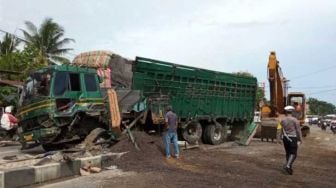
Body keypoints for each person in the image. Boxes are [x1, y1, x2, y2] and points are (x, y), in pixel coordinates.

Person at [277, 105, 303, 175]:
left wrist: (278, 139)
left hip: (285, 138)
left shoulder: (282, 120)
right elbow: (298, 131)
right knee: (293, 153)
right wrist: (300, 139)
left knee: (288, 152)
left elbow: (279, 130)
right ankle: (288, 166)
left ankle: (289, 167)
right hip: (293, 138)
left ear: (286, 112)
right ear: (292, 112)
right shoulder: (295, 120)